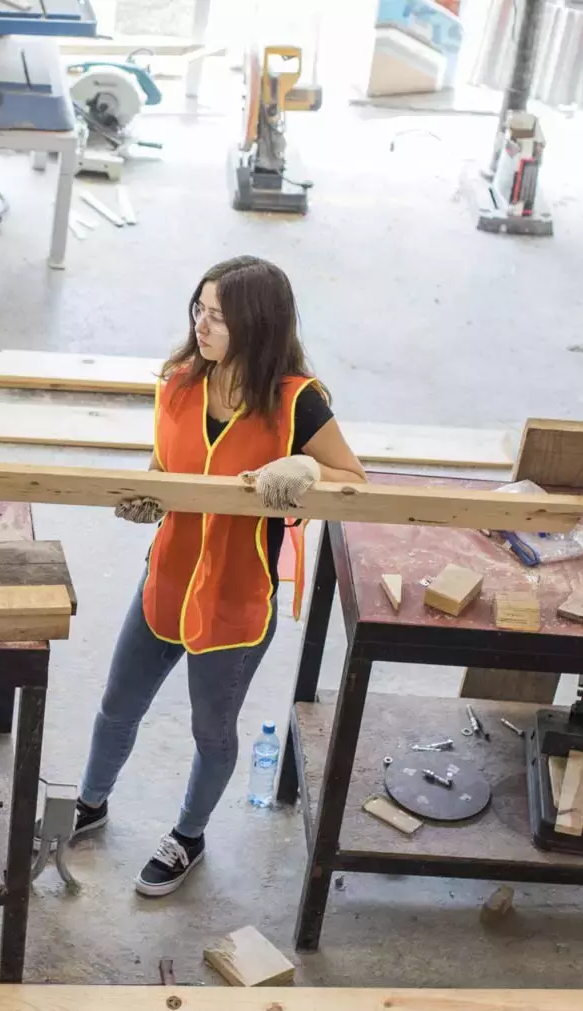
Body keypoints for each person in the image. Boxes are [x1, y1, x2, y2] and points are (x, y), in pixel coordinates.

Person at [73, 255, 368, 897]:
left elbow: (354, 481)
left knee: (211, 730)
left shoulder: (298, 403)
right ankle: (89, 804)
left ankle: (189, 837)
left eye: (219, 317)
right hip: (168, 580)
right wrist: (146, 492)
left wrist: (309, 470)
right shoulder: (178, 383)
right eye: (199, 310)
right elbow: (161, 464)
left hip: (237, 597)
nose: (202, 326)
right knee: (117, 708)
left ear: (258, 326)